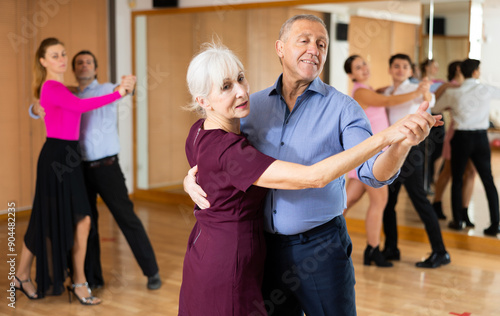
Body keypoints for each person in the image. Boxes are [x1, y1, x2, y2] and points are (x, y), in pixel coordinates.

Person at [184, 16, 441, 316]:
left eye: (322, 44)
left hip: (321, 249)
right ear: (280, 48)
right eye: (303, 40)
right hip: (263, 252)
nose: (314, 49)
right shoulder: (251, 107)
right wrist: (191, 177)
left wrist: (400, 144)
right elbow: (216, 147)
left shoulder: (343, 108)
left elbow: (374, 173)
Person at [14, 38, 133, 304]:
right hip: (56, 158)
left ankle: (68, 280)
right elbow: (80, 106)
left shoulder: (61, 87)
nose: (62, 59)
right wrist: (119, 94)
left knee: (79, 219)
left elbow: (71, 102)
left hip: (69, 156)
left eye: (63, 54)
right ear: (43, 61)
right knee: (50, 219)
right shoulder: (51, 86)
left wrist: (124, 87)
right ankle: (34, 277)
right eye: (54, 55)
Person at [30, 50, 161, 290]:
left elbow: (121, 91)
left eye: (88, 62)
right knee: (86, 223)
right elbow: (42, 104)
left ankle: (152, 271)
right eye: (78, 63)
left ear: (96, 68)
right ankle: (92, 278)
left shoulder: (105, 89)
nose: (83, 66)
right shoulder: (67, 92)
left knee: (127, 219)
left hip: (107, 167)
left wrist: (126, 86)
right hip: (79, 168)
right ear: (73, 69)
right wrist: (34, 108)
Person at [343, 55, 432, 267]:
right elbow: (388, 102)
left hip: (367, 154)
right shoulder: (362, 91)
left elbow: (382, 95)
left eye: (365, 63)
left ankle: (320, 239)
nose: (364, 68)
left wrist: (386, 89)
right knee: (378, 203)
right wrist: (417, 92)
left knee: (342, 204)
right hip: (372, 157)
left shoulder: (369, 89)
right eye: (358, 67)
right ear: (351, 74)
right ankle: (372, 250)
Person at [382, 53, 451, 268]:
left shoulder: (415, 90)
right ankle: (391, 248)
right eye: (396, 66)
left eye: (405, 67)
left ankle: (441, 252)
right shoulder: (387, 91)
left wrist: (425, 90)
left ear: (411, 71)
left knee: (419, 199)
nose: (400, 70)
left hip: (411, 149)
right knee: (388, 203)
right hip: (391, 150)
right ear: (390, 69)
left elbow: (430, 100)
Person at [433, 58, 500, 236]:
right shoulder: (485, 89)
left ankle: (458, 221)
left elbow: (436, 108)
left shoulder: (454, 92)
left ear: (461, 71)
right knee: (488, 181)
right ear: (476, 72)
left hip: (460, 137)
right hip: (480, 138)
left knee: (457, 179)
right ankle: (495, 224)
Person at [432, 60, 476, 225]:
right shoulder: (451, 86)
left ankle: (464, 211)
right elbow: (436, 105)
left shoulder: (467, 85)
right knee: (448, 171)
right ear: (459, 69)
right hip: (456, 133)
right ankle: (437, 202)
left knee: (471, 173)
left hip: (473, 134)